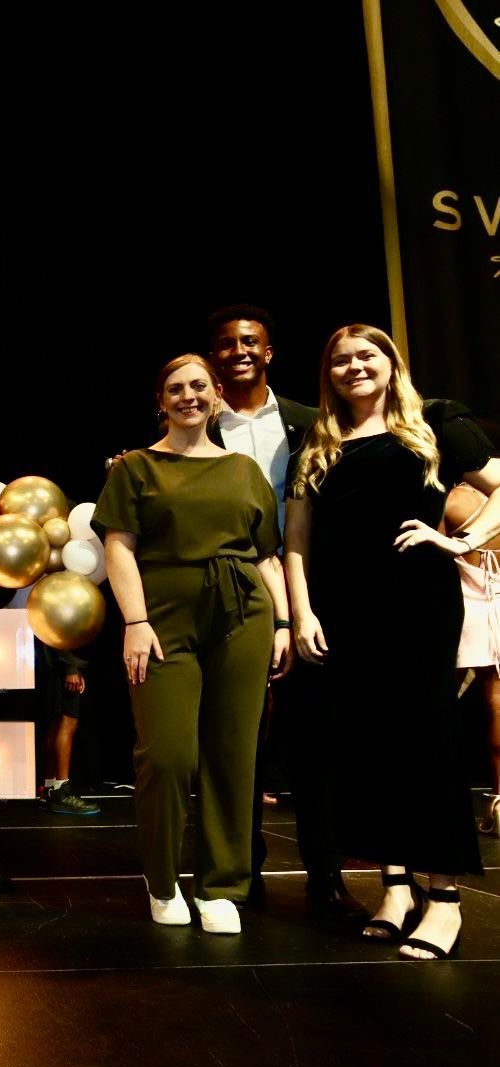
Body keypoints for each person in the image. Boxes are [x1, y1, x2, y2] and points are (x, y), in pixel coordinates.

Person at [286, 323, 500, 961]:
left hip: (416, 605)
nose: (354, 367)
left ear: (390, 361)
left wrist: (461, 541)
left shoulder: (436, 421)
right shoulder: (319, 441)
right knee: (369, 747)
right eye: (341, 360)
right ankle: (396, 887)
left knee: (426, 739)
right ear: (328, 374)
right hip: (340, 611)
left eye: (367, 355)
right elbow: (296, 539)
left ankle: (444, 900)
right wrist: (301, 614)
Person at [95, 354, 291, 935]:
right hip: (161, 616)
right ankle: (161, 881)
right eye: (176, 387)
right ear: (162, 400)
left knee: (233, 753)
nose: (188, 396)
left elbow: (266, 555)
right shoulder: (135, 467)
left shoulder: (244, 471)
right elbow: (119, 548)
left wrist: (281, 622)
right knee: (168, 753)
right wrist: (135, 621)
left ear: (216, 396)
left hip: (243, 611)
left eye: (198, 386)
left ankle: (220, 885)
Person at [201, 306, 358, 919]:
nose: (238, 350)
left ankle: (327, 876)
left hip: (308, 591)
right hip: (228, 590)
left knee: (317, 738)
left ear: (269, 352)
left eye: (249, 342)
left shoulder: (313, 422)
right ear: (212, 357)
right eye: (225, 344)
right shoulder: (194, 424)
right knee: (235, 740)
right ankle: (242, 874)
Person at [443, 483, 500, 836]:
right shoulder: (493, 503)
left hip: (461, 603)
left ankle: (430, 795)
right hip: (498, 602)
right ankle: (499, 798)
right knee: (496, 703)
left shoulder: (453, 500)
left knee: (437, 700)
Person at [35, 641, 100, 815]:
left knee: (55, 724)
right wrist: (71, 668)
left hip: (51, 664)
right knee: (67, 722)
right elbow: (58, 631)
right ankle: (61, 790)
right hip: (60, 663)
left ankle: (48, 789)